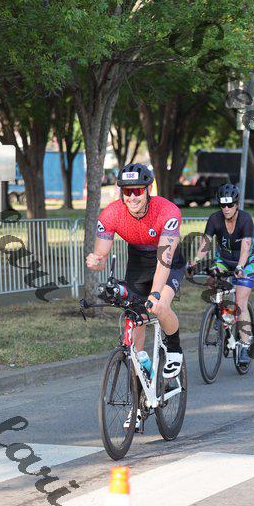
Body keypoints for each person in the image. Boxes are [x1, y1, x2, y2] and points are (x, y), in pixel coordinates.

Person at [86, 162, 185, 385]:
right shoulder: (112, 213)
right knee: (134, 313)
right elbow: (101, 258)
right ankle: (141, 376)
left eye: (137, 191)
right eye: (127, 191)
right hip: (138, 261)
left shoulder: (167, 211)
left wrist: (155, 294)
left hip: (167, 261)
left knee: (159, 306)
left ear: (148, 189)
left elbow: (164, 260)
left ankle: (174, 348)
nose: (132, 197)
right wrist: (95, 262)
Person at [191, 183, 254, 364]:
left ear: (237, 204)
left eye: (230, 205)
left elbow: (246, 247)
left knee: (240, 302)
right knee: (212, 279)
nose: (226, 208)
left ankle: (245, 346)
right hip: (224, 258)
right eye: (223, 205)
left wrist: (240, 267)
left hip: (247, 261)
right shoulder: (215, 219)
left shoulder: (245, 219)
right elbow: (206, 243)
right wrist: (195, 262)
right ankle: (219, 312)